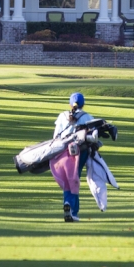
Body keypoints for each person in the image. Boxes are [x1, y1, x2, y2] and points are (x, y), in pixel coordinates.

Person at [52, 92, 93, 222]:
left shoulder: (62, 116)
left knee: (67, 181)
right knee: (74, 179)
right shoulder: (87, 117)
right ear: (83, 104)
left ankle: (70, 206)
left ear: (70, 103)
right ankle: (71, 208)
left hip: (61, 152)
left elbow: (55, 137)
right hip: (79, 152)